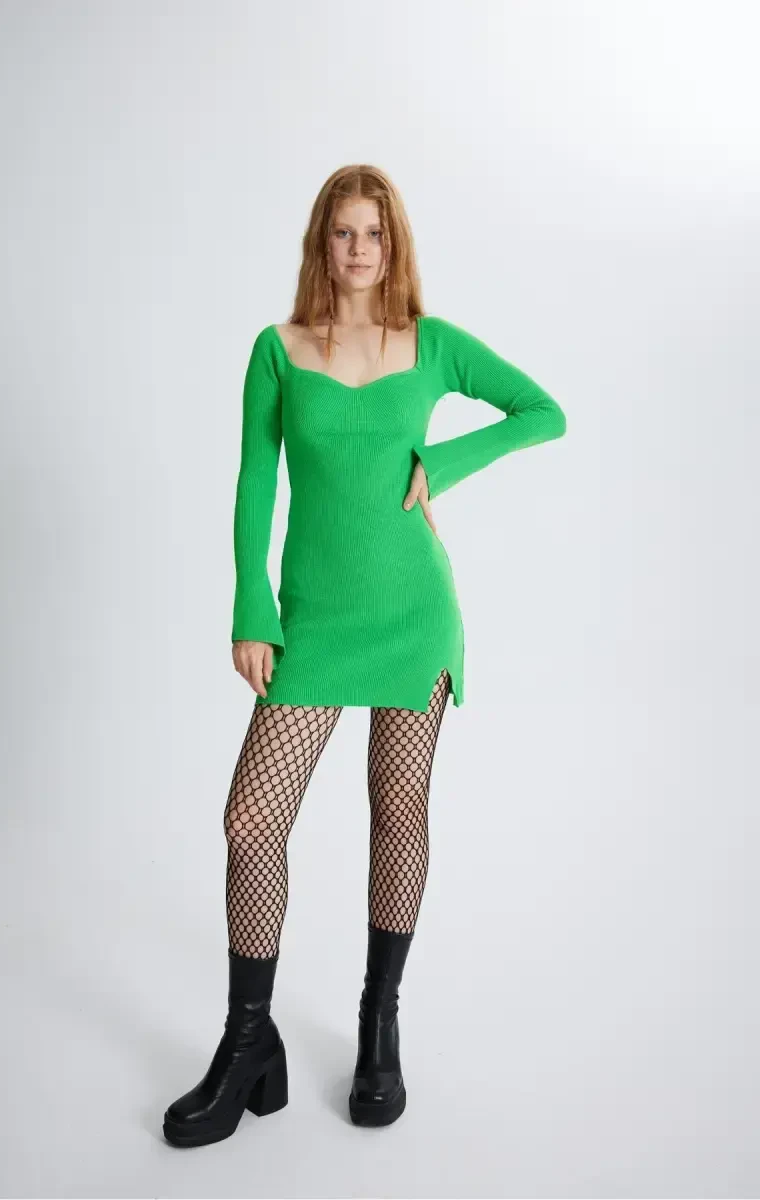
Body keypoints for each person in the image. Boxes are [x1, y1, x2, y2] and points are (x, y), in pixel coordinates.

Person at [163, 164, 567, 1146]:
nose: (357, 250)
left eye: (373, 234)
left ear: (394, 245)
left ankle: (378, 1023)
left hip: (413, 615)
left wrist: (443, 462)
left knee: (398, 809)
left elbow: (541, 410)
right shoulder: (278, 349)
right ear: (321, 241)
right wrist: (252, 607)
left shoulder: (430, 343)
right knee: (252, 822)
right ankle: (248, 1041)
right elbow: (254, 482)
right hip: (313, 620)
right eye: (342, 233)